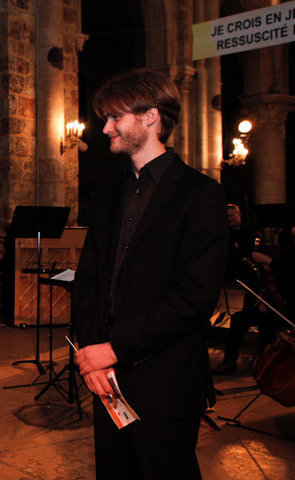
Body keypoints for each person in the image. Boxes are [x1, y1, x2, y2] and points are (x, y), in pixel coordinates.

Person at [72, 69, 228, 480]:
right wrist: (92, 356)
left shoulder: (201, 195)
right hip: (105, 381)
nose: (105, 128)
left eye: (114, 117)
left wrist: (115, 347)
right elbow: (88, 279)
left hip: (166, 381)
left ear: (150, 117)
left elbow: (194, 298)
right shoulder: (109, 194)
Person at [211, 204, 270, 375]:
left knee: (265, 325)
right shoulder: (227, 235)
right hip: (249, 285)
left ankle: (266, 365)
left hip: (265, 293)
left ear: (239, 215)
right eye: (226, 216)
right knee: (239, 320)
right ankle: (230, 361)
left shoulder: (253, 233)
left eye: (231, 216)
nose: (228, 219)